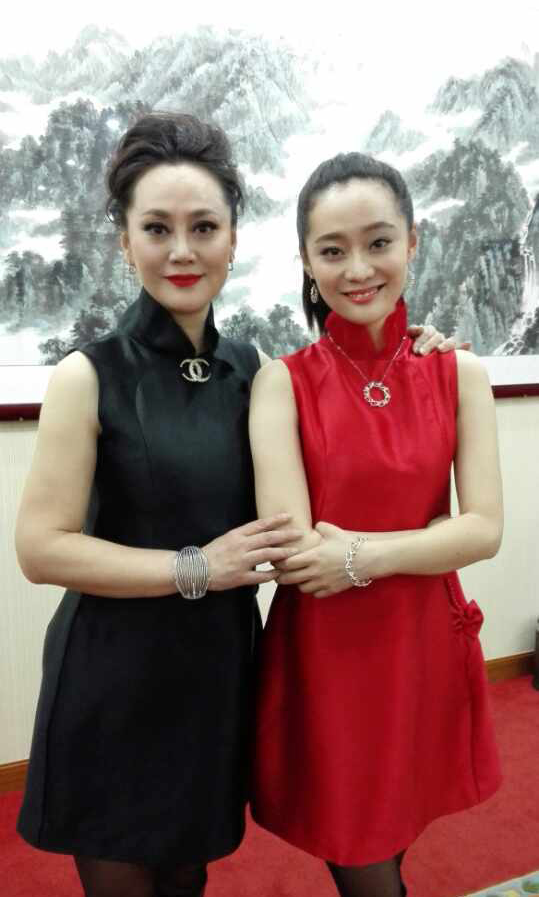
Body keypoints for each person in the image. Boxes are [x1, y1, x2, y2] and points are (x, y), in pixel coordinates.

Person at [15, 114, 459, 897]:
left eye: (203, 227)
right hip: (113, 676)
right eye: (157, 229)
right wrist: (197, 567)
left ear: (232, 240)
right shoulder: (88, 375)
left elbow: (342, 393)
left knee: (187, 878)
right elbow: (41, 548)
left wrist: (413, 349)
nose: (182, 251)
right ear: (125, 243)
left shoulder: (252, 370)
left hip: (217, 671)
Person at [249, 152, 503, 897]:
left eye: (379, 242)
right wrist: (419, 545)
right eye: (332, 251)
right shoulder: (282, 380)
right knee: (358, 845)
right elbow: (295, 550)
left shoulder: (458, 372)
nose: (358, 269)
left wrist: (358, 554)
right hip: (328, 653)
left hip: (423, 640)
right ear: (306, 261)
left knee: (396, 826)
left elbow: (484, 529)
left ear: (412, 242)